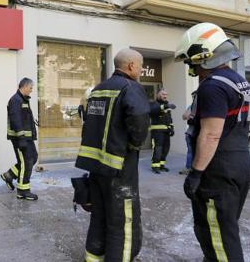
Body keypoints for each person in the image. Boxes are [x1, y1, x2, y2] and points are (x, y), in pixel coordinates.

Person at [175, 22, 250, 261]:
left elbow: (211, 134)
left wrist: (196, 173)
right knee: (223, 228)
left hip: (217, 169)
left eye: (192, 61)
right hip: (239, 162)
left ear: (205, 55)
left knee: (218, 238)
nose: (192, 67)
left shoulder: (212, 86)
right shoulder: (238, 81)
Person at [75, 48, 150, 262]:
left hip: (96, 167)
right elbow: (138, 121)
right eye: (141, 65)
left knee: (99, 215)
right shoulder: (131, 87)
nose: (141, 69)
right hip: (119, 168)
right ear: (131, 66)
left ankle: (93, 258)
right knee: (123, 223)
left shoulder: (98, 89)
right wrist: (136, 143)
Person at [1, 77, 39, 200]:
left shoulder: (23, 100)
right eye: (31, 88)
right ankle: (23, 191)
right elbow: (15, 120)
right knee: (26, 162)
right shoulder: (15, 100)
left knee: (33, 158)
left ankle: (9, 175)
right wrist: (21, 138)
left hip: (27, 138)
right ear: (25, 86)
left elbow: (24, 119)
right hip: (20, 139)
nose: (32, 90)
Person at [149, 89, 176, 173]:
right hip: (157, 131)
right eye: (163, 94)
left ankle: (161, 165)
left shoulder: (166, 104)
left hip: (166, 131)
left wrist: (171, 128)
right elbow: (153, 110)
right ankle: (155, 166)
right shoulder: (153, 103)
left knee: (165, 149)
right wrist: (165, 106)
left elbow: (169, 118)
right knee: (158, 149)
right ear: (158, 94)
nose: (165, 96)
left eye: (166, 94)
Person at [179, 101, 195, 175]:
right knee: (191, 152)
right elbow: (184, 116)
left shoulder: (192, 106)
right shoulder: (192, 106)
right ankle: (189, 168)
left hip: (191, 133)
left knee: (191, 152)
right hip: (192, 133)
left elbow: (184, 116)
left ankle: (189, 168)